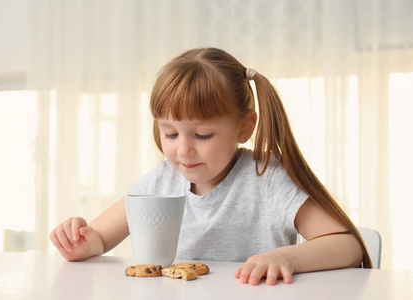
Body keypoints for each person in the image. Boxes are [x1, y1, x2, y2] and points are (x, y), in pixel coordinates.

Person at [50, 47, 372, 285]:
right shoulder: (161, 181)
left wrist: (286, 257)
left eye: (202, 134)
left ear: (245, 128)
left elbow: (347, 246)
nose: (183, 149)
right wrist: (82, 242)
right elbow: (100, 238)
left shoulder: (266, 178)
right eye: (170, 133)